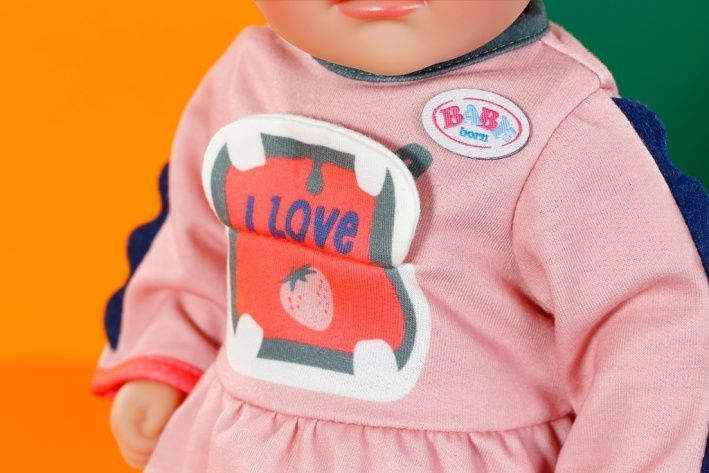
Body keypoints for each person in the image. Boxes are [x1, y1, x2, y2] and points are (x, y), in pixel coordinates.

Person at [92, 1, 709, 471]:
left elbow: (651, 334)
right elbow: (196, 240)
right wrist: (166, 355)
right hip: (240, 445)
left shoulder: (561, 123)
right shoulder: (247, 78)